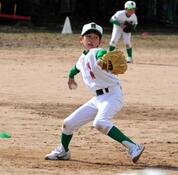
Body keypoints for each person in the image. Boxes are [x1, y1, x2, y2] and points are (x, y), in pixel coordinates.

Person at [45, 22, 144, 163]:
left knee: (100, 122)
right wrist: (70, 78)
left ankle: (134, 147)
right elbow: (74, 69)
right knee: (68, 123)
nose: (91, 40)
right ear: (81, 39)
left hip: (112, 95)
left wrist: (101, 60)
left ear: (100, 42)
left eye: (95, 37)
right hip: (97, 98)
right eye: (88, 36)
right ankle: (63, 151)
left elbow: (101, 55)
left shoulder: (98, 52)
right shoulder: (82, 58)